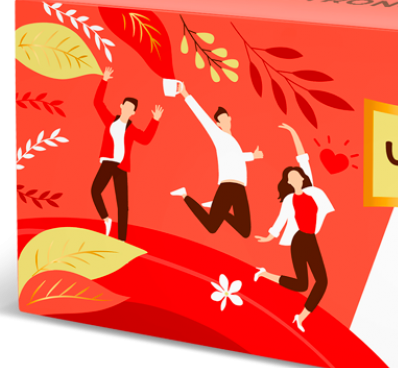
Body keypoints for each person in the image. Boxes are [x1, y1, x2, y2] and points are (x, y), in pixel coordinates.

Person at [254, 123, 334, 332]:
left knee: (319, 283)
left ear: (302, 177)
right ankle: (264, 275)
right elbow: (281, 220)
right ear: (289, 182)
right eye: (290, 178)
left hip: (310, 237)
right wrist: (269, 237)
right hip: (299, 239)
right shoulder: (289, 200)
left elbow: (303, 157)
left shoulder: (312, 190)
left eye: (297, 175)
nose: (294, 179)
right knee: (303, 283)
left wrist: (293, 133)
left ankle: (300, 316)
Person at [170, 81, 263, 238]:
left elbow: (237, 157)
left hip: (240, 187)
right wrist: (185, 94)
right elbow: (202, 117)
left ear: (230, 118)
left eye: (226, 118)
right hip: (227, 186)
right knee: (212, 226)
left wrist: (253, 156)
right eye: (221, 120)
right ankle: (185, 195)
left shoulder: (233, 141)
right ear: (218, 123)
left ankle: (220, 209)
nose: (224, 121)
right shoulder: (219, 136)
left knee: (245, 231)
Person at [91, 67, 163, 241]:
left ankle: (122, 239)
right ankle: (106, 218)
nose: (127, 109)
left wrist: (155, 120)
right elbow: (97, 103)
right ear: (121, 106)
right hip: (109, 162)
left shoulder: (132, 129)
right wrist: (104, 80)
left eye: (131, 108)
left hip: (121, 166)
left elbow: (145, 139)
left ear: (133, 112)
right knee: (95, 190)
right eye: (126, 106)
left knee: (123, 205)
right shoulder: (110, 120)